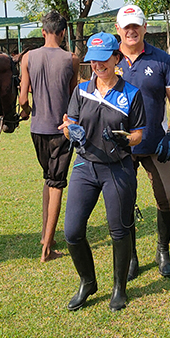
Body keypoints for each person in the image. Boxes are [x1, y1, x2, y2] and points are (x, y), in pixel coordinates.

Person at [61, 32, 145, 311]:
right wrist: (69, 130)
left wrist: (128, 140)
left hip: (118, 169)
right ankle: (88, 282)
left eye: (103, 59)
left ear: (117, 58)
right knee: (72, 231)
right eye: (93, 61)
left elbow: (139, 133)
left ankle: (119, 288)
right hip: (85, 166)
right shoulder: (81, 90)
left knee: (118, 231)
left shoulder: (131, 93)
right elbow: (69, 121)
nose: (97, 65)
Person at [114, 4, 170, 279]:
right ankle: (131, 256)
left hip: (155, 142)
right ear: (117, 29)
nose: (131, 31)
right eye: (126, 26)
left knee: (167, 198)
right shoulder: (109, 60)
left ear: (145, 27)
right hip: (121, 146)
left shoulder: (161, 60)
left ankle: (162, 250)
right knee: (122, 200)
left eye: (136, 25)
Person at [18, 10, 81, 262]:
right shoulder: (71, 59)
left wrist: (27, 110)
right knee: (56, 184)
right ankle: (46, 250)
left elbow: (23, 99)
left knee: (48, 179)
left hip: (36, 129)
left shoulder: (28, 57)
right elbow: (73, 95)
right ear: (63, 33)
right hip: (61, 130)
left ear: (43, 32)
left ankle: (47, 236)